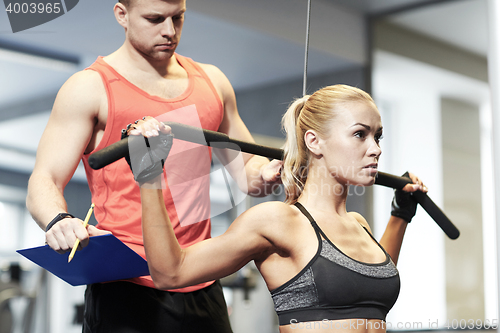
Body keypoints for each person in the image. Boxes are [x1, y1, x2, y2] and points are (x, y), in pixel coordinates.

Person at [26, 0, 281, 332]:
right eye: (155, 19)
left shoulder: (212, 82)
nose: (169, 31)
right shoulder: (90, 88)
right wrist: (57, 219)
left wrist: (267, 174)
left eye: (178, 18)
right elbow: (43, 180)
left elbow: (248, 172)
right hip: (126, 285)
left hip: (201, 279)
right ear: (122, 15)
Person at [128, 84, 428, 333]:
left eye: (378, 136)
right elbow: (171, 273)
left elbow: (371, 287)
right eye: (360, 134)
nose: (375, 148)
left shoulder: (358, 224)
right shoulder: (278, 221)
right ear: (314, 141)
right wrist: (150, 175)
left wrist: (400, 214)